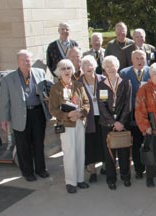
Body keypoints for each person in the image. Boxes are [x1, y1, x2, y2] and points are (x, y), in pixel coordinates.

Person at [0, 49, 51, 182]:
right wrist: (4, 119)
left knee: (39, 143)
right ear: (18, 62)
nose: (26, 63)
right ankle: (27, 172)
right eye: (23, 60)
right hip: (20, 115)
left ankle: (41, 169)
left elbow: (48, 89)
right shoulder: (8, 79)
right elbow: (4, 101)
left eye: (28, 60)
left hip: (38, 113)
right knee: (23, 145)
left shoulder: (40, 73)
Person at [48, 59, 90, 194]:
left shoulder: (78, 85)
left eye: (69, 68)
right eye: (63, 68)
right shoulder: (55, 88)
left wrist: (80, 113)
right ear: (59, 72)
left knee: (80, 151)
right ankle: (71, 182)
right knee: (69, 153)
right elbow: (53, 109)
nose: (66, 71)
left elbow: (86, 103)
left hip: (79, 122)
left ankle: (80, 179)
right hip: (66, 125)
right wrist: (68, 115)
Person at [97, 55, 132, 190]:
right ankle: (111, 179)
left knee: (124, 151)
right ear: (104, 69)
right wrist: (113, 122)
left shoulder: (125, 82)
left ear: (117, 67)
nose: (111, 68)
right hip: (107, 124)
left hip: (123, 123)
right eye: (107, 66)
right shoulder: (101, 85)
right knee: (109, 153)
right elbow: (102, 105)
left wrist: (121, 122)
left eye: (113, 65)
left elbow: (128, 104)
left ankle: (125, 176)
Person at [120, 50, 151, 179]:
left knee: (149, 144)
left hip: (149, 114)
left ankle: (151, 169)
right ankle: (139, 169)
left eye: (142, 58)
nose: (139, 61)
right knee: (136, 143)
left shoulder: (151, 71)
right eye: (137, 58)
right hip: (133, 115)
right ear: (132, 60)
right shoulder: (124, 73)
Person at [79, 55, 106, 183]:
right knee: (90, 145)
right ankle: (92, 172)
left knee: (104, 142)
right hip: (88, 119)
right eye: (86, 65)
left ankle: (106, 167)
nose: (89, 67)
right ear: (82, 68)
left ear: (95, 66)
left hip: (103, 117)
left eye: (91, 64)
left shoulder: (103, 80)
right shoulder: (78, 83)